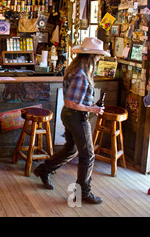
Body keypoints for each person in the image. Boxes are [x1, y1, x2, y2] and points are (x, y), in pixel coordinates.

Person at [33, 37, 110, 204]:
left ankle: (44, 169)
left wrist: (91, 105)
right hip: (75, 117)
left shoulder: (76, 69)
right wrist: (93, 109)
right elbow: (70, 102)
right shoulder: (81, 74)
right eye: (97, 56)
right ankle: (83, 193)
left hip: (70, 115)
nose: (98, 59)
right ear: (90, 57)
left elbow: (75, 101)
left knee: (71, 149)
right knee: (88, 156)